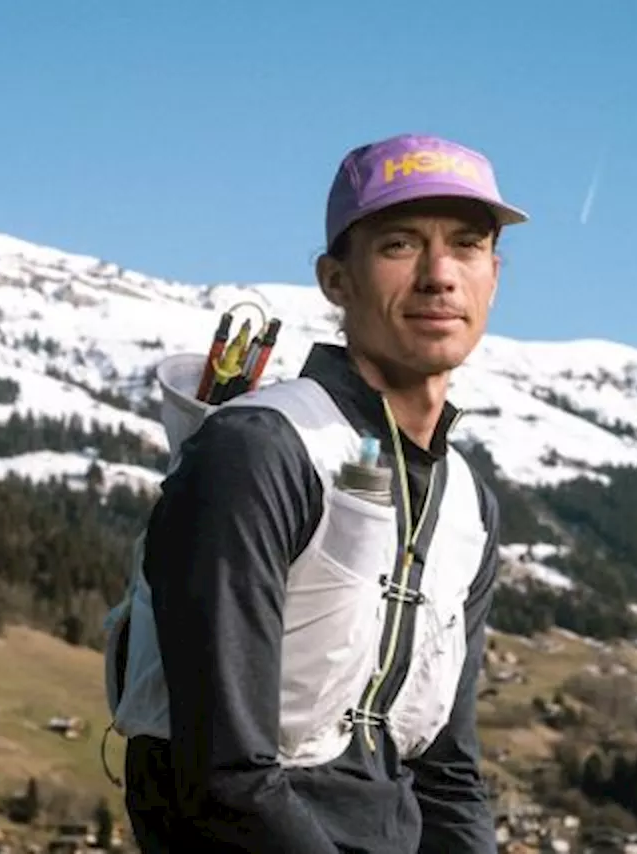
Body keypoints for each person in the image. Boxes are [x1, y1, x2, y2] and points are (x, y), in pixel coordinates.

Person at [111, 132, 529, 853]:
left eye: (465, 246)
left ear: (495, 274)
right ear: (335, 280)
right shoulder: (258, 452)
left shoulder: (467, 503)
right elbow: (223, 779)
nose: (439, 276)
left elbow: (448, 773)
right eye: (399, 244)